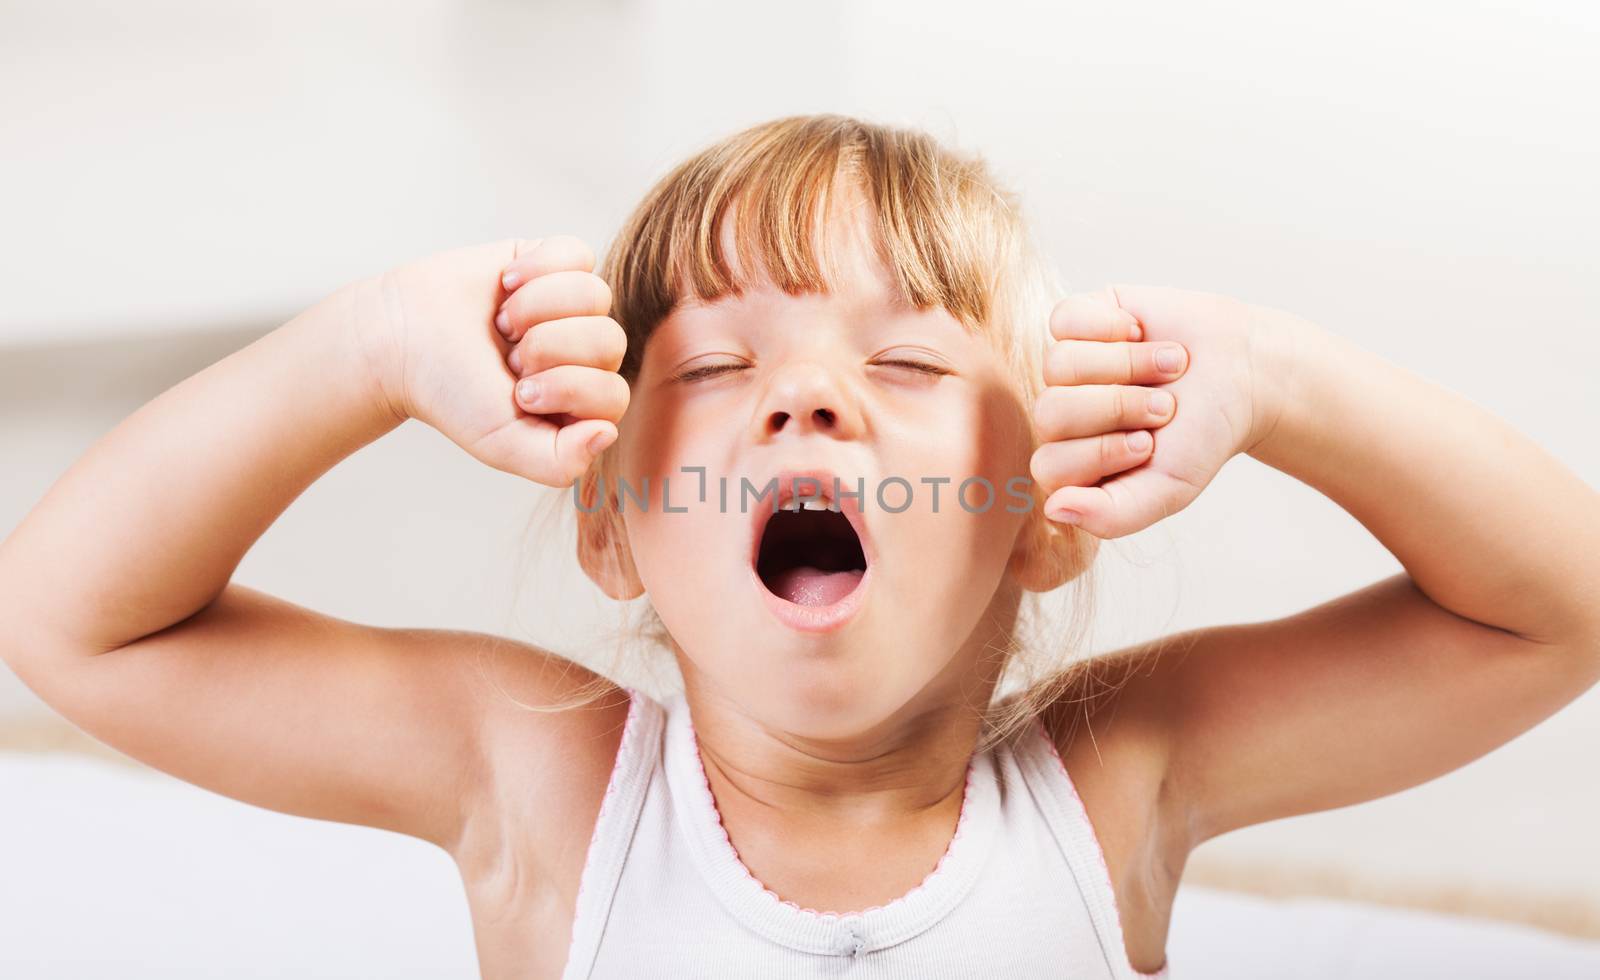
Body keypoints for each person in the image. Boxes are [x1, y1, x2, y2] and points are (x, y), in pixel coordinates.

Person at [2, 114, 1596, 979]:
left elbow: (1556, 612)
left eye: (904, 368)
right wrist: (360, 348)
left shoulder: (1119, 778)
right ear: (617, 527)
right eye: (711, 371)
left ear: (1043, 520)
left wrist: (1278, 378)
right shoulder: (546, 785)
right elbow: (74, 623)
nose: (807, 404)